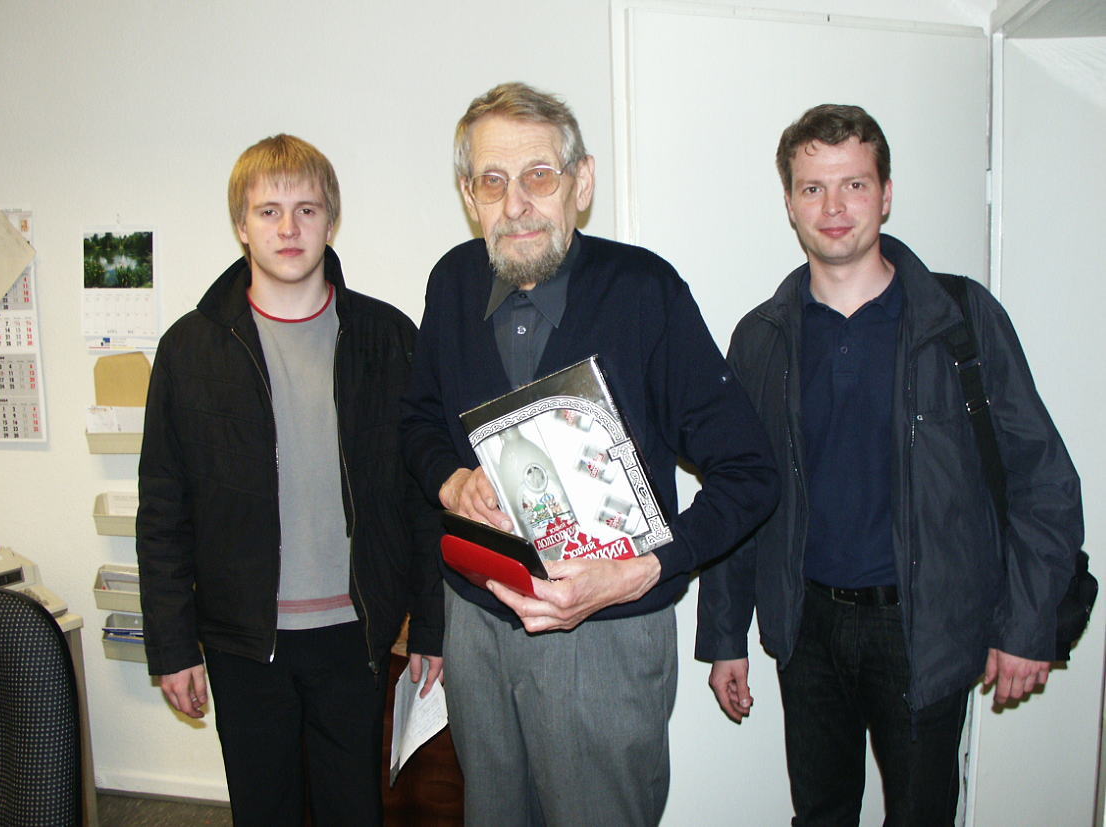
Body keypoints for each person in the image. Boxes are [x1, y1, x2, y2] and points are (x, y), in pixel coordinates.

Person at [400, 81, 779, 826]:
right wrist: (450, 481)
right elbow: (416, 421)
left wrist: (641, 570)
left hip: (606, 636)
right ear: (469, 195)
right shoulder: (451, 283)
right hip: (478, 622)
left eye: (539, 176)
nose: (516, 204)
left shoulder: (645, 293)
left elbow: (751, 473)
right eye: (492, 181)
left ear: (582, 182)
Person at [697, 104, 1083, 826]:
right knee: (819, 815)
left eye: (854, 184)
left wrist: (1026, 625)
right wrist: (724, 638)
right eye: (813, 188)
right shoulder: (761, 338)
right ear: (789, 203)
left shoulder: (960, 319)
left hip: (926, 627)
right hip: (806, 628)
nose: (834, 207)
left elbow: (1044, 479)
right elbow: (736, 493)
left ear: (886, 194)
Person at [137, 134, 443, 825]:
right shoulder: (190, 349)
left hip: (357, 634)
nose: (288, 228)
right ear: (241, 225)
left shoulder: (388, 338)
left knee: (352, 810)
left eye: (307, 210)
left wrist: (431, 623)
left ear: (331, 221)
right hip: (243, 638)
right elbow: (163, 510)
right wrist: (172, 645)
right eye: (268, 211)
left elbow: (424, 499)